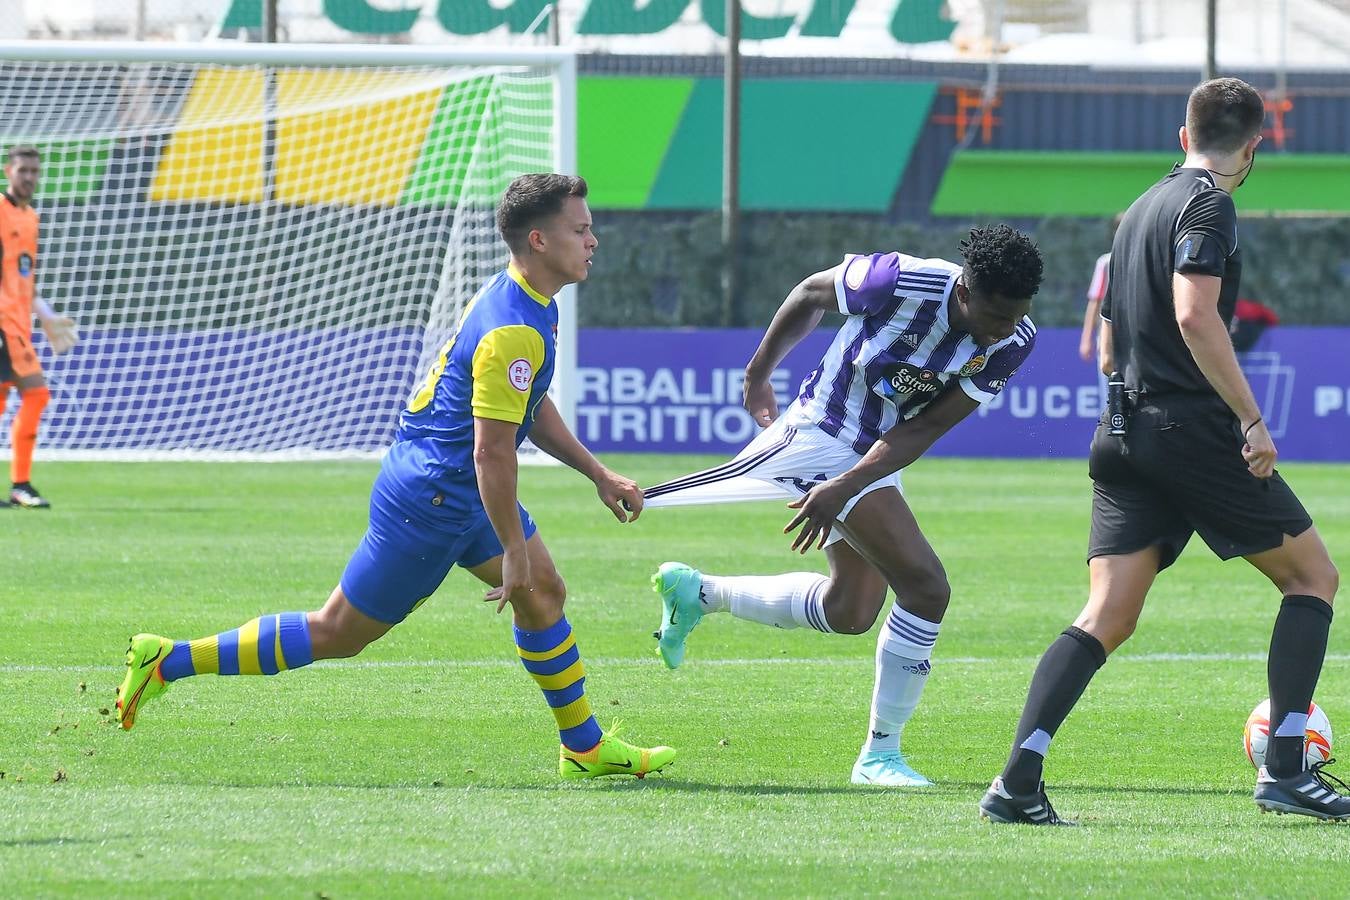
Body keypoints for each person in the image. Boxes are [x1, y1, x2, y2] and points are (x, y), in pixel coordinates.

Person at [117, 173, 677, 780]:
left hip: (456, 491)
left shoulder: (528, 300)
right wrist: (513, 548)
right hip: (435, 501)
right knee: (337, 632)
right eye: (581, 228)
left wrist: (596, 473)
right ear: (540, 240)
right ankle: (168, 661)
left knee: (545, 593)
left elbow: (529, 405)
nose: (593, 239)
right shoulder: (513, 327)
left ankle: (585, 747)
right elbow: (493, 454)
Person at [979, 78, 1346, 826]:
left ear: (1183, 135)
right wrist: (1250, 418)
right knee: (1313, 578)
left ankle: (1017, 782)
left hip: (1122, 430)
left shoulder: (1140, 209)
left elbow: (1111, 333)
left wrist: (1131, 411)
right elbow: (1193, 312)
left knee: (1107, 614)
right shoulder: (1209, 203)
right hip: (1188, 431)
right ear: (1253, 146)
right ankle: (1285, 768)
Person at [642, 225, 1044, 787]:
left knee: (851, 610)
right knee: (927, 587)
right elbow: (809, 293)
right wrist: (758, 372)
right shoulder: (896, 279)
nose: (1004, 330)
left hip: (869, 456)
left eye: (1017, 314)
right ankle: (881, 756)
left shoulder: (1015, 340)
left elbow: (924, 428)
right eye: (996, 316)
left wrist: (844, 487)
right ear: (965, 293)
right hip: (820, 433)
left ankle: (702, 593)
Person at [0, 145, 78, 509]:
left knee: (14, 400)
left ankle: (20, 487)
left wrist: (46, 317)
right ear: (7, 171)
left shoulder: (31, 218)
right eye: (23, 170)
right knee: (36, 394)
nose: (29, 178)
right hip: (2, 325)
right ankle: (21, 485)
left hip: (18, 324)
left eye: (34, 171)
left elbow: (24, 277)